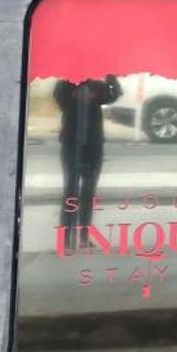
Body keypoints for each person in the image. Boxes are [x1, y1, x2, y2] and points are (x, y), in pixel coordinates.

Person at [55, 75, 121, 246]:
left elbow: (115, 94)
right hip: (72, 144)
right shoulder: (66, 83)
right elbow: (59, 97)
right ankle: (66, 237)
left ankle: (83, 236)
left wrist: (110, 76)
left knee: (88, 191)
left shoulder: (97, 86)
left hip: (93, 145)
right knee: (71, 190)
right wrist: (74, 92)